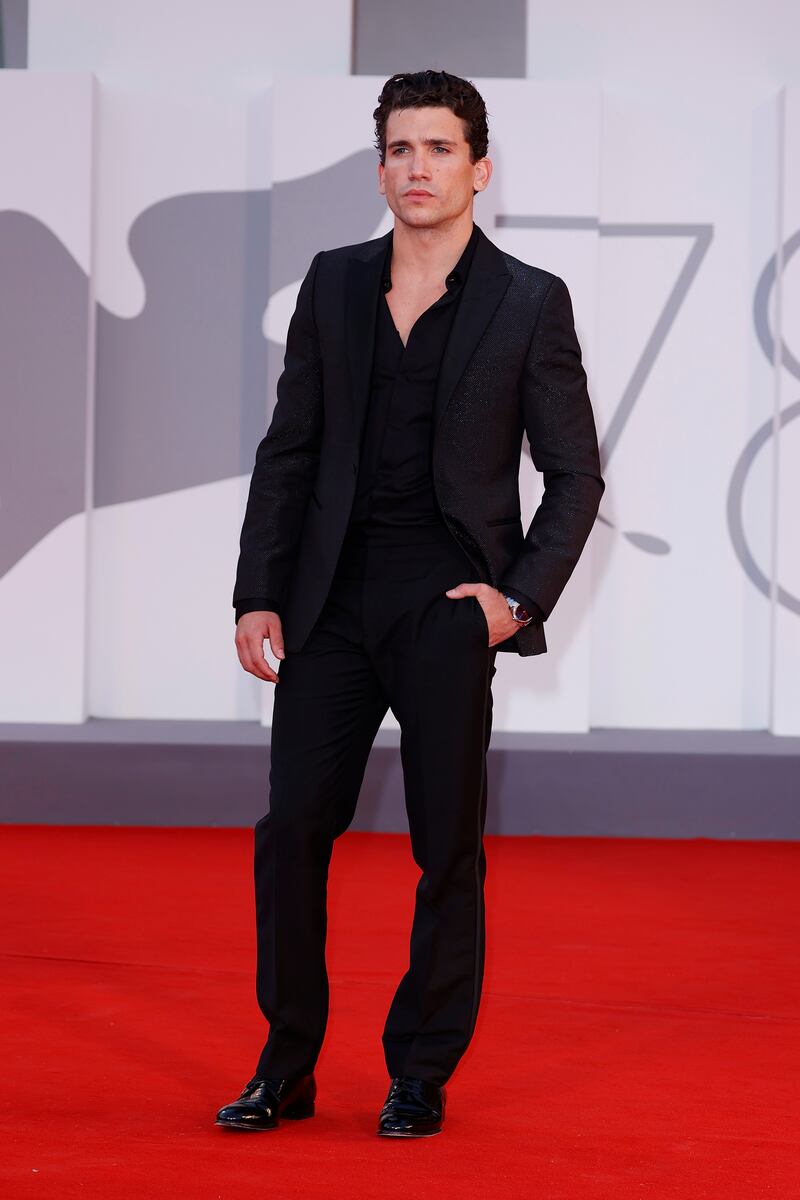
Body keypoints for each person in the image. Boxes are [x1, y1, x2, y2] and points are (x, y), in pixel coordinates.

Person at [215, 68, 604, 1139]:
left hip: (445, 610)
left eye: (437, 149)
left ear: (479, 169)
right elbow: (287, 452)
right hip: (330, 607)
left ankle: (418, 1071)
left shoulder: (528, 300)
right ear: (378, 166)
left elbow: (572, 473)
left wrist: (514, 601)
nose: (415, 167)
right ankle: (284, 1065)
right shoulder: (332, 283)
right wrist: (258, 592)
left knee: (446, 848)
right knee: (291, 827)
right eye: (398, 149)